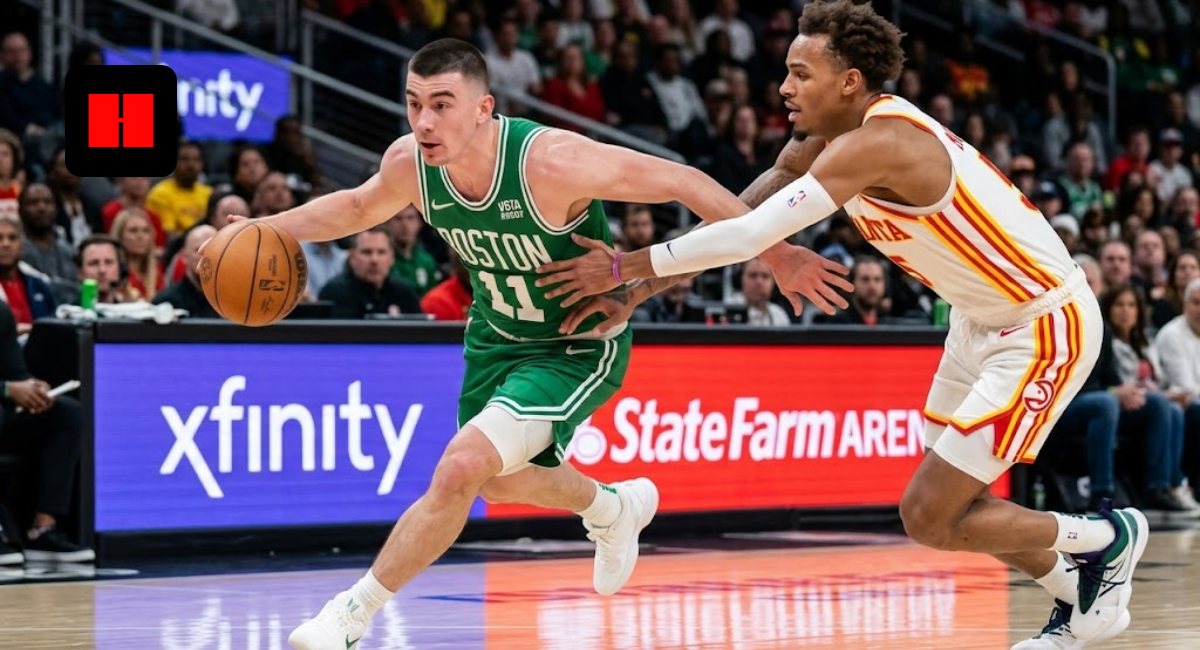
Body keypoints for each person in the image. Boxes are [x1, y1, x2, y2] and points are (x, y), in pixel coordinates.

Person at [202, 38, 851, 650]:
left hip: (575, 341)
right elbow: (352, 207)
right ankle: (612, 507)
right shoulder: (411, 164)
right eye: (414, 103)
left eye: (442, 104)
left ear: (484, 108)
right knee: (501, 484)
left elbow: (684, 181)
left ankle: (350, 615)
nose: (424, 122)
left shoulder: (551, 162)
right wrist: (261, 227)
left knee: (461, 466)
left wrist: (778, 253)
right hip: (496, 336)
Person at [535, 3, 1149, 649]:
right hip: (976, 320)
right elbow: (754, 201)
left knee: (929, 514)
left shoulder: (881, 142)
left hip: (1041, 321)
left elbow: (749, 235)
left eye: (801, 74)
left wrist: (623, 267)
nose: (784, 88)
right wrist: (639, 291)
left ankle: (1109, 538)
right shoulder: (823, 138)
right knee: (956, 510)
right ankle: (1082, 597)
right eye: (787, 72)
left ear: (850, 81)